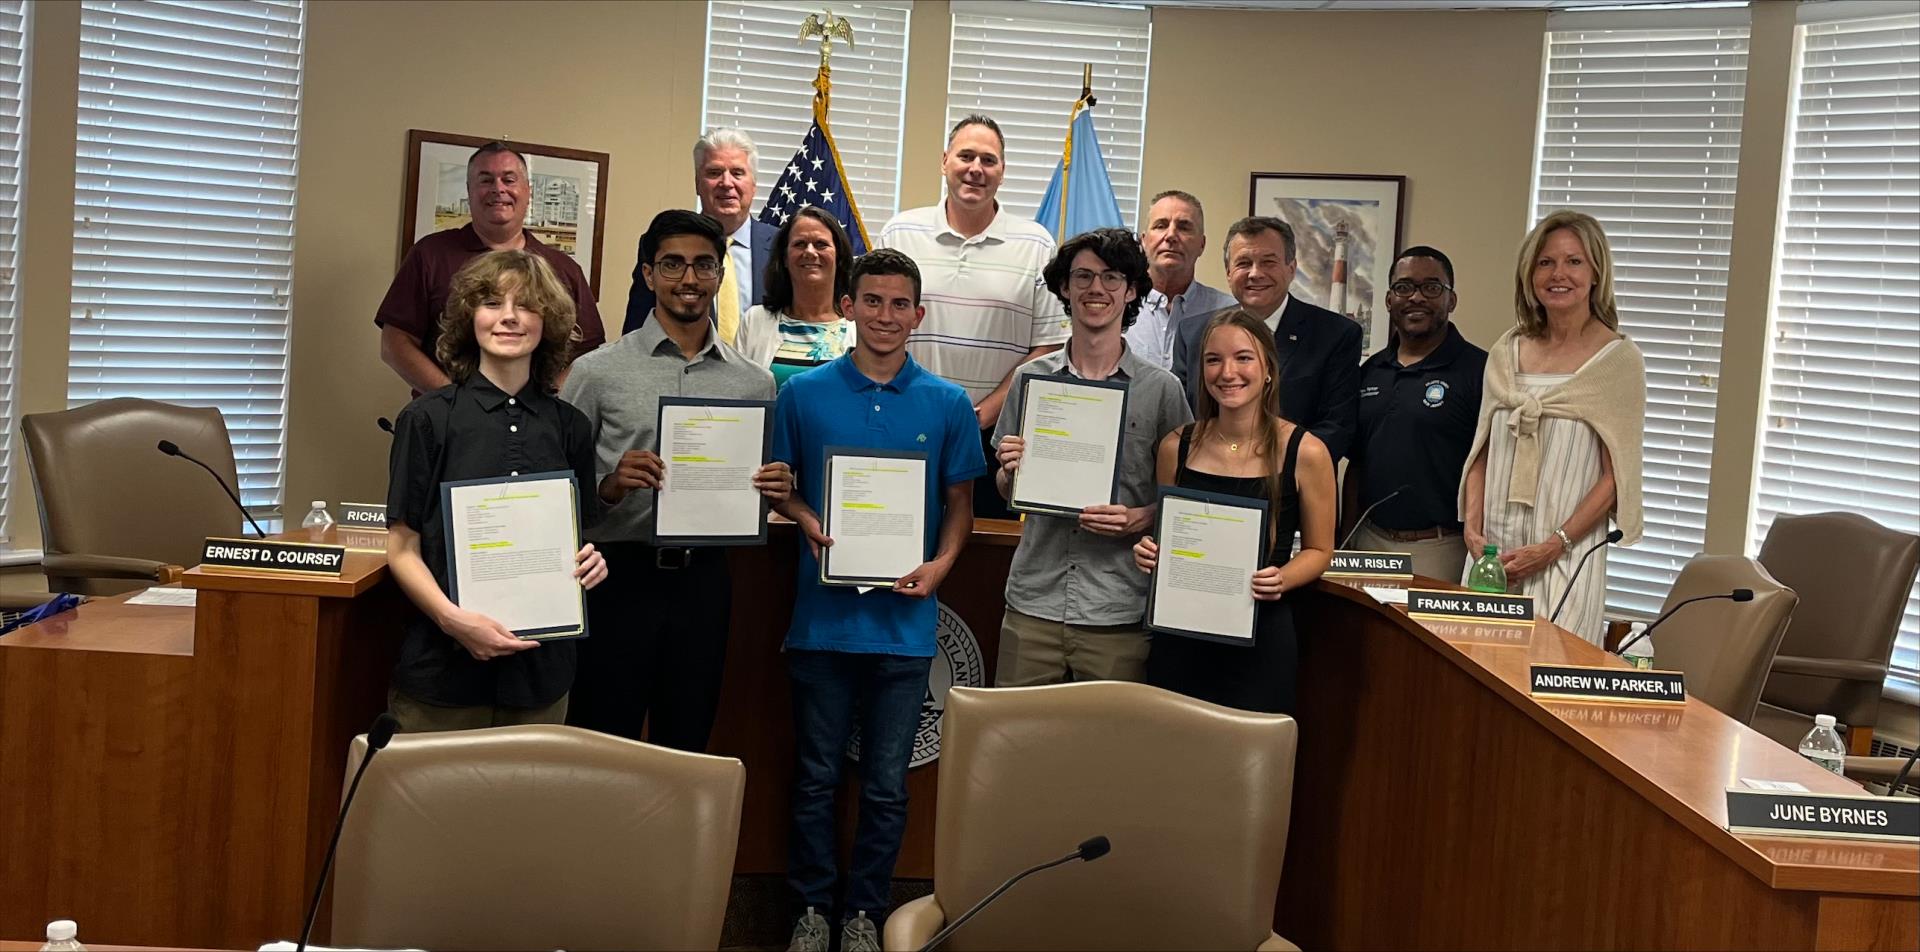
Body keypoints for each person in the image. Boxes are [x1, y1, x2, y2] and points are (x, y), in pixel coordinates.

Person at [770, 249, 983, 952]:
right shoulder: (802, 395)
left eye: (900, 305)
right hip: (822, 626)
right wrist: (801, 514)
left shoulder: (948, 404)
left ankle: (863, 912)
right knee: (816, 778)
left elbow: (960, 503)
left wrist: (943, 564)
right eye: (872, 301)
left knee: (889, 786)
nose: (885, 316)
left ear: (917, 316)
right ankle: (811, 910)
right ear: (849, 307)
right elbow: (786, 488)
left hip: (903, 626)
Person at [559, 210, 788, 752]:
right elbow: (558, 485)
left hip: (704, 582)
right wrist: (610, 485)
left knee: (687, 738)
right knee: (600, 737)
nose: (688, 279)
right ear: (647, 275)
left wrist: (774, 488)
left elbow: (754, 490)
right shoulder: (597, 371)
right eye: (673, 265)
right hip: (617, 578)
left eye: (703, 265)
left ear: (721, 273)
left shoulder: (753, 383)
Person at [383, 250, 609, 731]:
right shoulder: (426, 419)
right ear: (470, 317)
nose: (508, 317)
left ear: (547, 321)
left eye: (525, 305)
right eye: (491, 302)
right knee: (429, 806)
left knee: (529, 806)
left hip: (540, 678)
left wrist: (594, 560)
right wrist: (452, 620)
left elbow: (582, 540)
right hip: (442, 675)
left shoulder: (571, 427)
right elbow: (402, 547)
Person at [991, 228, 1192, 686]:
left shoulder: (1162, 391)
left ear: (1132, 289)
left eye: (1111, 277)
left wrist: (1141, 517)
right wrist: (1009, 471)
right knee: (1020, 746)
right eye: (1082, 277)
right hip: (1033, 603)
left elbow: (1184, 501)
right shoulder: (1029, 380)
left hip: (1117, 608)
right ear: (1064, 287)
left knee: (1108, 752)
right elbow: (1007, 492)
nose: (1095, 289)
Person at [1133, 310, 1336, 714]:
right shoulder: (1178, 446)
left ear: (1267, 370)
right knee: (1171, 755)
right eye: (1213, 359)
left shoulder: (1307, 451)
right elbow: (1170, 534)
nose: (1228, 372)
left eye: (1243, 358)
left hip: (1261, 635)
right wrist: (1151, 550)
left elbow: (1319, 550)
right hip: (1181, 633)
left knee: (1251, 764)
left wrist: (1281, 578)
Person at [1460, 210, 1645, 645]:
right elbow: (1482, 450)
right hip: (1492, 556)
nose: (1558, 274)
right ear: (1530, 273)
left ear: (1596, 272)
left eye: (1574, 261)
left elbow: (1614, 476)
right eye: (1546, 262)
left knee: (1542, 679)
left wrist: (1552, 545)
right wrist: (1471, 528)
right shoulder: (1507, 351)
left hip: (1563, 557)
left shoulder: (1617, 361)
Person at [878, 114, 1067, 517]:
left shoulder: (1036, 244)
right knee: (895, 534)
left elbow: (1049, 344)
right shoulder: (900, 233)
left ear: (1002, 172)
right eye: (966, 156)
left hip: (991, 434)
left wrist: (987, 412)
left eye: (989, 160)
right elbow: (876, 328)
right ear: (945, 160)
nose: (976, 169)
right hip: (906, 420)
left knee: (981, 555)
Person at [376, 142, 605, 394]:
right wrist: (454, 403)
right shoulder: (430, 254)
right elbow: (395, 344)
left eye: (509, 179)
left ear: (528, 191)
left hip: (538, 426)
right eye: (485, 180)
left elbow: (589, 353)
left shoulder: (562, 268)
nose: (498, 189)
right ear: (469, 191)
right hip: (447, 423)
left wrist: (548, 403)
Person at [1344, 246, 1487, 580]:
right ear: (1389, 300)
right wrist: (1344, 541)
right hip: (1368, 543)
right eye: (1405, 287)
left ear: (1451, 301)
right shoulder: (1371, 370)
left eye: (1432, 287)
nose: (1417, 297)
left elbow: (1491, 467)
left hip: (1440, 548)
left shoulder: (1479, 371)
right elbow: (1357, 465)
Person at [1170, 216, 1362, 462]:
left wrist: (1257, 467)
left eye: (1268, 262)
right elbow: (1180, 419)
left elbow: (1336, 429)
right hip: (1206, 481)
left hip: (1293, 487)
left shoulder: (1336, 335)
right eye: (1243, 263)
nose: (1255, 273)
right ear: (1229, 273)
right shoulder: (1193, 333)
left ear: (1291, 269)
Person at [623, 128, 778, 340]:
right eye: (714, 173)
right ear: (697, 184)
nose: (726, 183)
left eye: (737, 173)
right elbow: (638, 328)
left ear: (754, 185)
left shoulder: (783, 247)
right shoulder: (664, 243)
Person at [735, 205, 857, 389]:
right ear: (784, 258)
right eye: (799, 244)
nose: (809, 251)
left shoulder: (859, 325)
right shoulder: (755, 320)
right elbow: (737, 394)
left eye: (821, 244)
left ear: (839, 256)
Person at [1123, 190, 1233, 370]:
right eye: (1160, 225)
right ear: (1144, 241)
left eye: (1184, 227)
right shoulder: (1117, 307)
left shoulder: (1227, 312)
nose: (1171, 235)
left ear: (1202, 245)